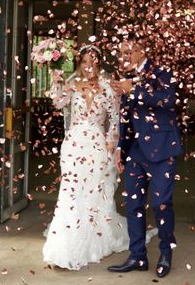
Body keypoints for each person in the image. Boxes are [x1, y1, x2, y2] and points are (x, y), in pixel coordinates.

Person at [42, 44, 130, 270]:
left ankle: (94, 239)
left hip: (98, 147)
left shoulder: (107, 88)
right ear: (79, 64)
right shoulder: (72, 85)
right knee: (71, 193)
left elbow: (114, 118)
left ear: (98, 63)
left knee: (94, 192)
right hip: (73, 146)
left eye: (92, 61)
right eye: (84, 62)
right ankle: (64, 246)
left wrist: (112, 146)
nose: (88, 66)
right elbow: (58, 102)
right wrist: (56, 78)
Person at [108, 34, 183, 278]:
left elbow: (169, 100)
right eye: (121, 53)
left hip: (162, 149)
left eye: (128, 52)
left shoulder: (163, 73)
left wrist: (135, 90)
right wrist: (121, 147)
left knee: (162, 204)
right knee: (133, 205)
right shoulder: (126, 77)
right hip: (136, 152)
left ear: (142, 51)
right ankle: (138, 256)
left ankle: (165, 253)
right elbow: (125, 115)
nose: (124, 57)